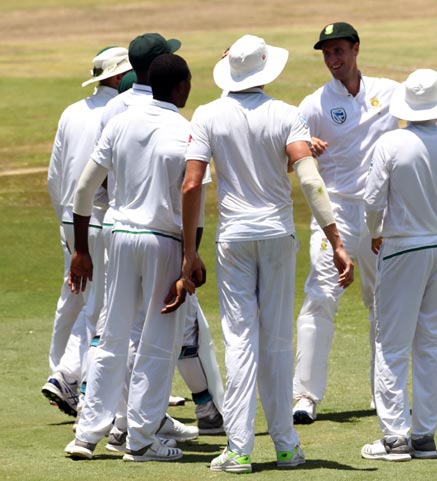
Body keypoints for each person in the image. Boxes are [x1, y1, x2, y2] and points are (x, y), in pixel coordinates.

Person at [181, 34, 354, 473]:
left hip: (234, 238)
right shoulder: (286, 113)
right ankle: (285, 446)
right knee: (275, 341)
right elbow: (311, 180)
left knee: (241, 343)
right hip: (277, 235)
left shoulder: (207, 114)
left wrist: (188, 252)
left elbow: (190, 184)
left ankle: (239, 449)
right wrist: (335, 240)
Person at [65, 53, 193, 462]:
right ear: (181, 87)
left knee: (110, 335)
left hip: (118, 237)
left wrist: (81, 249)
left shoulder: (119, 122)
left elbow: (84, 191)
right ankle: (140, 439)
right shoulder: (186, 129)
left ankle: (86, 436)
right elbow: (194, 198)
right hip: (162, 240)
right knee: (158, 339)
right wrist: (191, 258)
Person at [361, 69, 437, 461]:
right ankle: (424, 437)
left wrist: (378, 230)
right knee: (431, 343)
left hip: (401, 249)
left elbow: (371, 201)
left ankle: (396, 437)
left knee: (391, 344)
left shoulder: (391, 143)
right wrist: (436, 217)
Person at [292, 22, 399, 424]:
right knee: (320, 296)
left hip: (380, 216)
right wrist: (307, 148)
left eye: (338, 51)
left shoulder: (387, 92)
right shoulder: (314, 104)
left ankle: (384, 393)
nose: (332, 60)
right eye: (326, 54)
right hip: (333, 214)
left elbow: (429, 110)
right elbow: (288, 158)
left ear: (355, 49)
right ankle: (304, 396)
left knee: (383, 304)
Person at [43, 46, 131, 416]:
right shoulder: (119, 110)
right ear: (115, 77)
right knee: (101, 305)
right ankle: (73, 379)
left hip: (71, 217)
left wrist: (65, 222)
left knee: (77, 297)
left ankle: (64, 375)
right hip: (101, 217)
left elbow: (53, 175)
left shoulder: (71, 111)